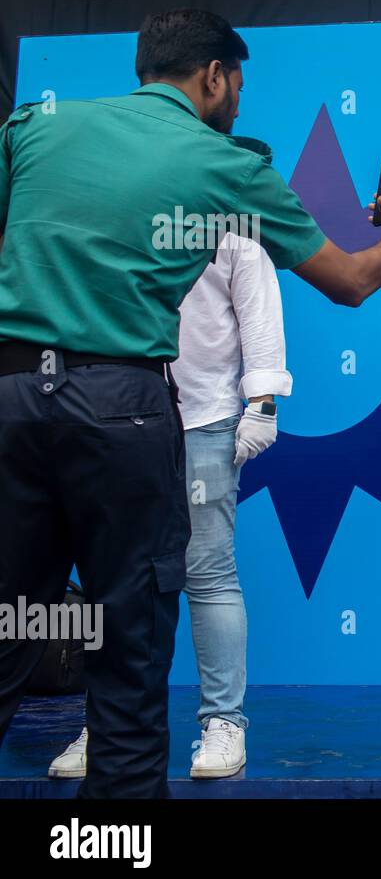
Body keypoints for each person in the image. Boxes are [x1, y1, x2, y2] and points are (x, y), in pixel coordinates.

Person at [0, 8, 381, 797]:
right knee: (130, 647)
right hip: (120, 407)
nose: (238, 102)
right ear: (214, 77)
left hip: (13, 398)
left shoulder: (35, 127)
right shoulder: (225, 163)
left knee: (13, 621)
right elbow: (352, 282)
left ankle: (217, 724)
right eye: (238, 86)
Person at [48, 232, 291, 781]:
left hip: (205, 417)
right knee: (116, 577)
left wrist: (263, 403)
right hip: (115, 415)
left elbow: (257, 307)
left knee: (208, 571)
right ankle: (110, 726)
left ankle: (224, 723)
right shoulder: (116, 197)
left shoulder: (228, 214)